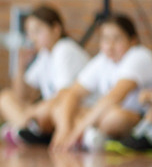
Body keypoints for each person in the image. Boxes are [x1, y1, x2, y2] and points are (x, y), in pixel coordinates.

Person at [50, 14, 152, 153]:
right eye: (105, 39)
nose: (110, 45)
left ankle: (88, 135)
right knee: (60, 109)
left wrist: (77, 130)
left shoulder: (138, 55)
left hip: (134, 116)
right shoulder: (102, 60)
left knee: (114, 118)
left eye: (117, 39)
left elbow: (115, 96)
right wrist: (64, 129)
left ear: (132, 40)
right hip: (102, 114)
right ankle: (90, 136)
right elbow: (73, 92)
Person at [0, 5, 89, 145]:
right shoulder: (44, 55)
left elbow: (64, 94)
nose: (32, 38)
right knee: (4, 98)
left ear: (56, 29)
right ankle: (25, 128)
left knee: (46, 110)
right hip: (50, 109)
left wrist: (33, 111)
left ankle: (23, 128)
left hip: (72, 109)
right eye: (29, 33)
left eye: (37, 31)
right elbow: (21, 95)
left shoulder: (64, 49)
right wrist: (20, 65)